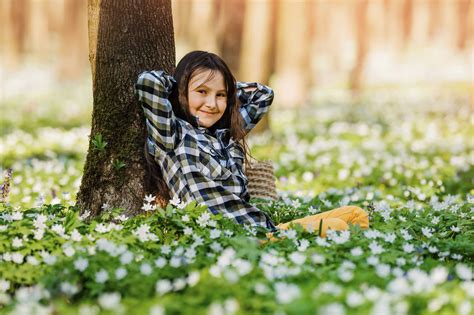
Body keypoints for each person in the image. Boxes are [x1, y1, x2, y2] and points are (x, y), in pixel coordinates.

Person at [134, 50, 368, 239]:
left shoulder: (229, 134)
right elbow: (147, 82)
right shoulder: (171, 134)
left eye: (221, 95)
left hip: (262, 229)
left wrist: (226, 86)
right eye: (201, 91)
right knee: (336, 227)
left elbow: (263, 95)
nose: (212, 104)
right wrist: (177, 85)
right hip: (231, 240)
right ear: (182, 91)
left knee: (355, 216)